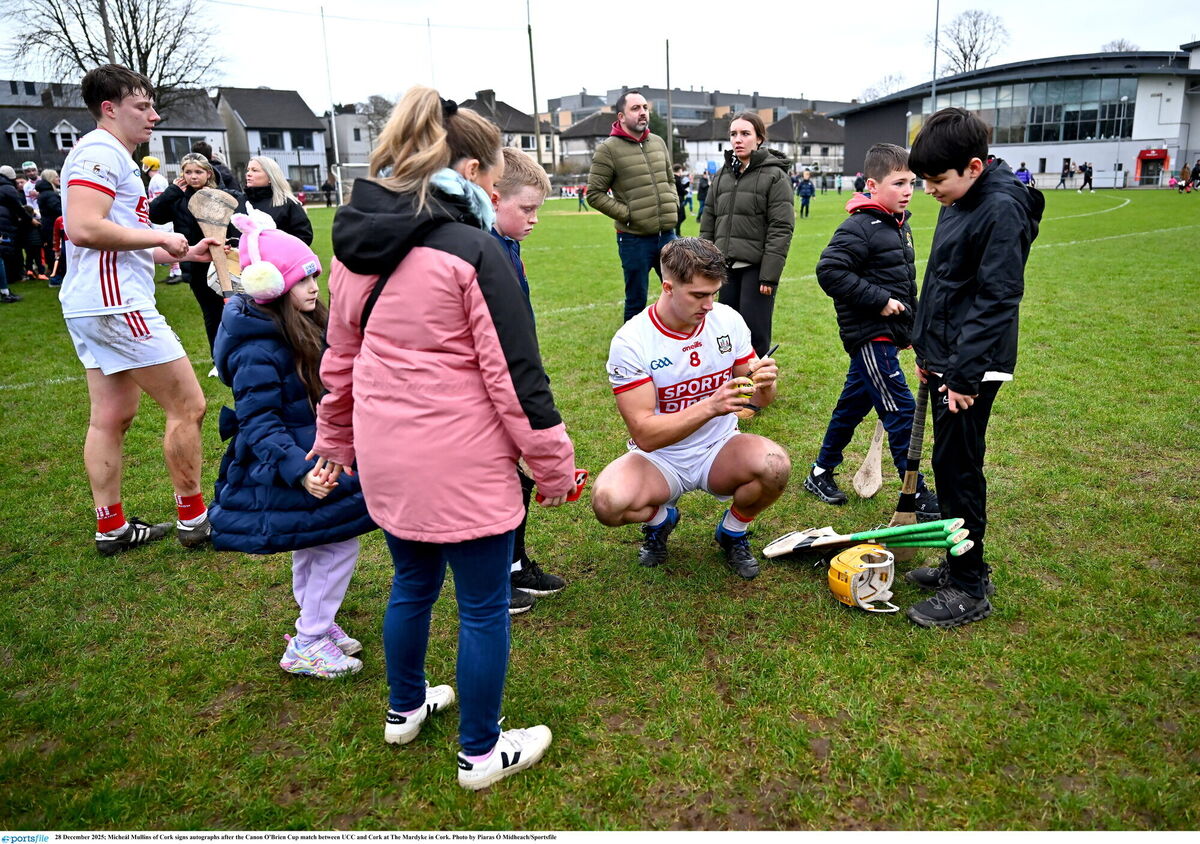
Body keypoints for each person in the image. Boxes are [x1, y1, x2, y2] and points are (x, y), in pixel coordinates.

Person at [310, 87, 576, 789]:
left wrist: (337, 444)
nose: (497, 185)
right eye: (493, 174)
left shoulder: (351, 251)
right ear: (467, 169)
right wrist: (554, 468)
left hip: (389, 458)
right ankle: (481, 753)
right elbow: (518, 381)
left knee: (411, 581)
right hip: (461, 464)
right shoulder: (474, 251)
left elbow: (338, 364)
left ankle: (405, 708)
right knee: (483, 606)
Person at [60, 64, 222, 555]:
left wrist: (177, 251)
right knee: (188, 405)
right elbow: (84, 228)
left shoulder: (113, 156)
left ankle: (110, 527)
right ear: (109, 109)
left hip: (93, 303)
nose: (154, 115)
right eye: (142, 106)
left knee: (110, 417)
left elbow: (114, 237)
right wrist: (160, 234)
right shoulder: (99, 152)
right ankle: (194, 519)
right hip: (115, 304)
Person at [209, 210, 376, 678]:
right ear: (269, 287)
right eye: (303, 279)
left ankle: (316, 626)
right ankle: (308, 641)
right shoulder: (255, 348)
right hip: (293, 463)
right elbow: (259, 422)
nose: (313, 286)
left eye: (315, 276)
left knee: (316, 543)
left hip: (312, 453)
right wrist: (298, 469)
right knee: (336, 544)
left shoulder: (298, 328)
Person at [904, 107, 1044, 628]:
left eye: (937, 180)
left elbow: (997, 298)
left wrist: (962, 374)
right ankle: (963, 564)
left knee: (958, 469)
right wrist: (926, 351)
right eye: (923, 181)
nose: (929, 190)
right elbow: (944, 282)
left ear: (974, 168)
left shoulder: (1001, 208)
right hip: (949, 358)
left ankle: (969, 587)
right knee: (950, 465)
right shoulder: (962, 197)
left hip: (973, 367)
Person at [590, 237, 790, 581]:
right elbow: (645, 434)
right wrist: (711, 405)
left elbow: (758, 399)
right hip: (660, 458)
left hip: (718, 448)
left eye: (713, 293)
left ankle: (732, 532)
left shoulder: (726, 320)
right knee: (608, 503)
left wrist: (766, 383)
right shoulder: (631, 341)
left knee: (775, 466)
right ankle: (660, 521)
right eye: (698, 295)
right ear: (668, 287)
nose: (709, 305)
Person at [804, 143, 938, 519]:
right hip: (868, 335)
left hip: (887, 334)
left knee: (851, 407)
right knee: (901, 409)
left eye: (911, 182)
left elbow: (903, 282)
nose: (908, 190)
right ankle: (917, 494)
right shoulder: (860, 225)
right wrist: (878, 301)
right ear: (872, 185)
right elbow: (829, 271)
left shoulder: (900, 225)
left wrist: (909, 332)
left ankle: (819, 472)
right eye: (898, 183)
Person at [486, 147, 570, 616]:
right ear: (494, 197)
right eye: (528, 208)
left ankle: (514, 566)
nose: (535, 219)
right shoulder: (483, 250)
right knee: (502, 482)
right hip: (497, 389)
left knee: (514, 481)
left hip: (517, 377)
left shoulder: (507, 246)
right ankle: (495, 577)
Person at [698, 111, 794, 403]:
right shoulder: (722, 174)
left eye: (745, 134)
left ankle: (757, 394)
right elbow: (709, 219)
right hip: (723, 269)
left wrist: (769, 274)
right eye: (733, 134)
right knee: (723, 332)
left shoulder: (775, 175)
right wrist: (705, 262)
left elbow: (781, 227)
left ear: (759, 138)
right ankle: (728, 389)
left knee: (755, 333)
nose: (738, 140)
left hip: (756, 270)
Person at [586, 90, 679, 322]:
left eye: (645, 107)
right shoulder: (608, 149)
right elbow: (594, 194)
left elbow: (670, 180)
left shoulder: (658, 142)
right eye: (635, 109)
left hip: (667, 235)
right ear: (621, 116)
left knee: (679, 293)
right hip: (634, 239)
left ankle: (679, 343)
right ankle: (631, 353)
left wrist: (673, 202)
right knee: (636, 300)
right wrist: (628, 214)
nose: (642, 113)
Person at [148, 151, 243, 360]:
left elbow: (237, 223)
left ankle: (239, 353)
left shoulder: (223, 195)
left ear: (208, 173)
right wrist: (172, 192)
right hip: (196, 265)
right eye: (188, 172)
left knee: (234, 309)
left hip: (224, 261)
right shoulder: (176, 198)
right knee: (212, 313)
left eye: (198, 171)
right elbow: (153, 214)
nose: (193, 176)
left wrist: (231, 245)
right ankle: (219, 359)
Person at [243, 156, 313, 244]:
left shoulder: (288, 204)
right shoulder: (239, 201)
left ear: (270, 177)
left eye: (254, 170)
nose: (248, 174)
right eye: (248, 170)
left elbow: (304, 237)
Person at [141, 156, 181, 282]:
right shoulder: (158, 179)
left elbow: (159, 199)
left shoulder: (156, 180)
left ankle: (177, 271)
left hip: (161, 220)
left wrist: (144, 202)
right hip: (162, 218)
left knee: (168, 245)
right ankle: (174, 272)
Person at [35, 173, 61, 285]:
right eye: (56, 177)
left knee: (52, 250)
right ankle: (56, 276)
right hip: (53, 226)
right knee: (56, 250)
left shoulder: (43, 194)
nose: (58, 178)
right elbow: (58, 210)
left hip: (47, 225)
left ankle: (54, 273)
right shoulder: (50, 195)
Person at [672, 163, 688, 237]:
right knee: (681, 217)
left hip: (676, 200)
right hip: (679, 200)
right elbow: (681, 190)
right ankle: (677, 234)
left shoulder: (673, 178)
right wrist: (686, 192)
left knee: (680, 217)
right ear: (679, 170)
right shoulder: (677, 179)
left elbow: (680, 187)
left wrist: (687, 185)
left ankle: (677, 233)